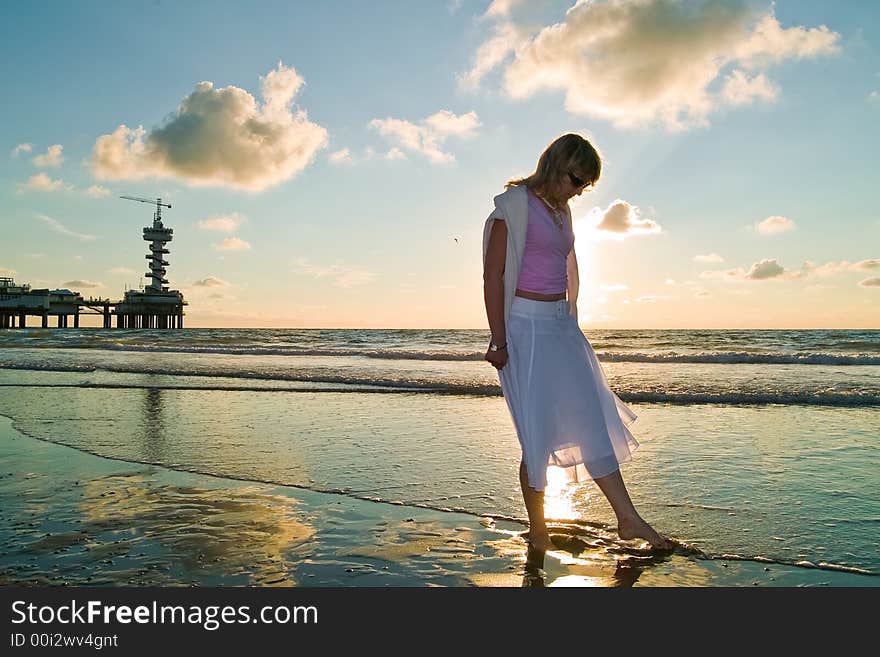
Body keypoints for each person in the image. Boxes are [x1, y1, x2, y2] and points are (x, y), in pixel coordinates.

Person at [482, 133, 672, 552]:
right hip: (524, 329)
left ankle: (628, 519)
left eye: (586, 184)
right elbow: (492, 278)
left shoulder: (561, 209)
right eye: (575, 179)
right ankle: (539, 530)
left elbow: (566, 266)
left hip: (561, 327)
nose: (579, 189)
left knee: (591, 421)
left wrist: (572, 317)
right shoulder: (513, 206)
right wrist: (498, 339)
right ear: (554, 164)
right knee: (539, 435)